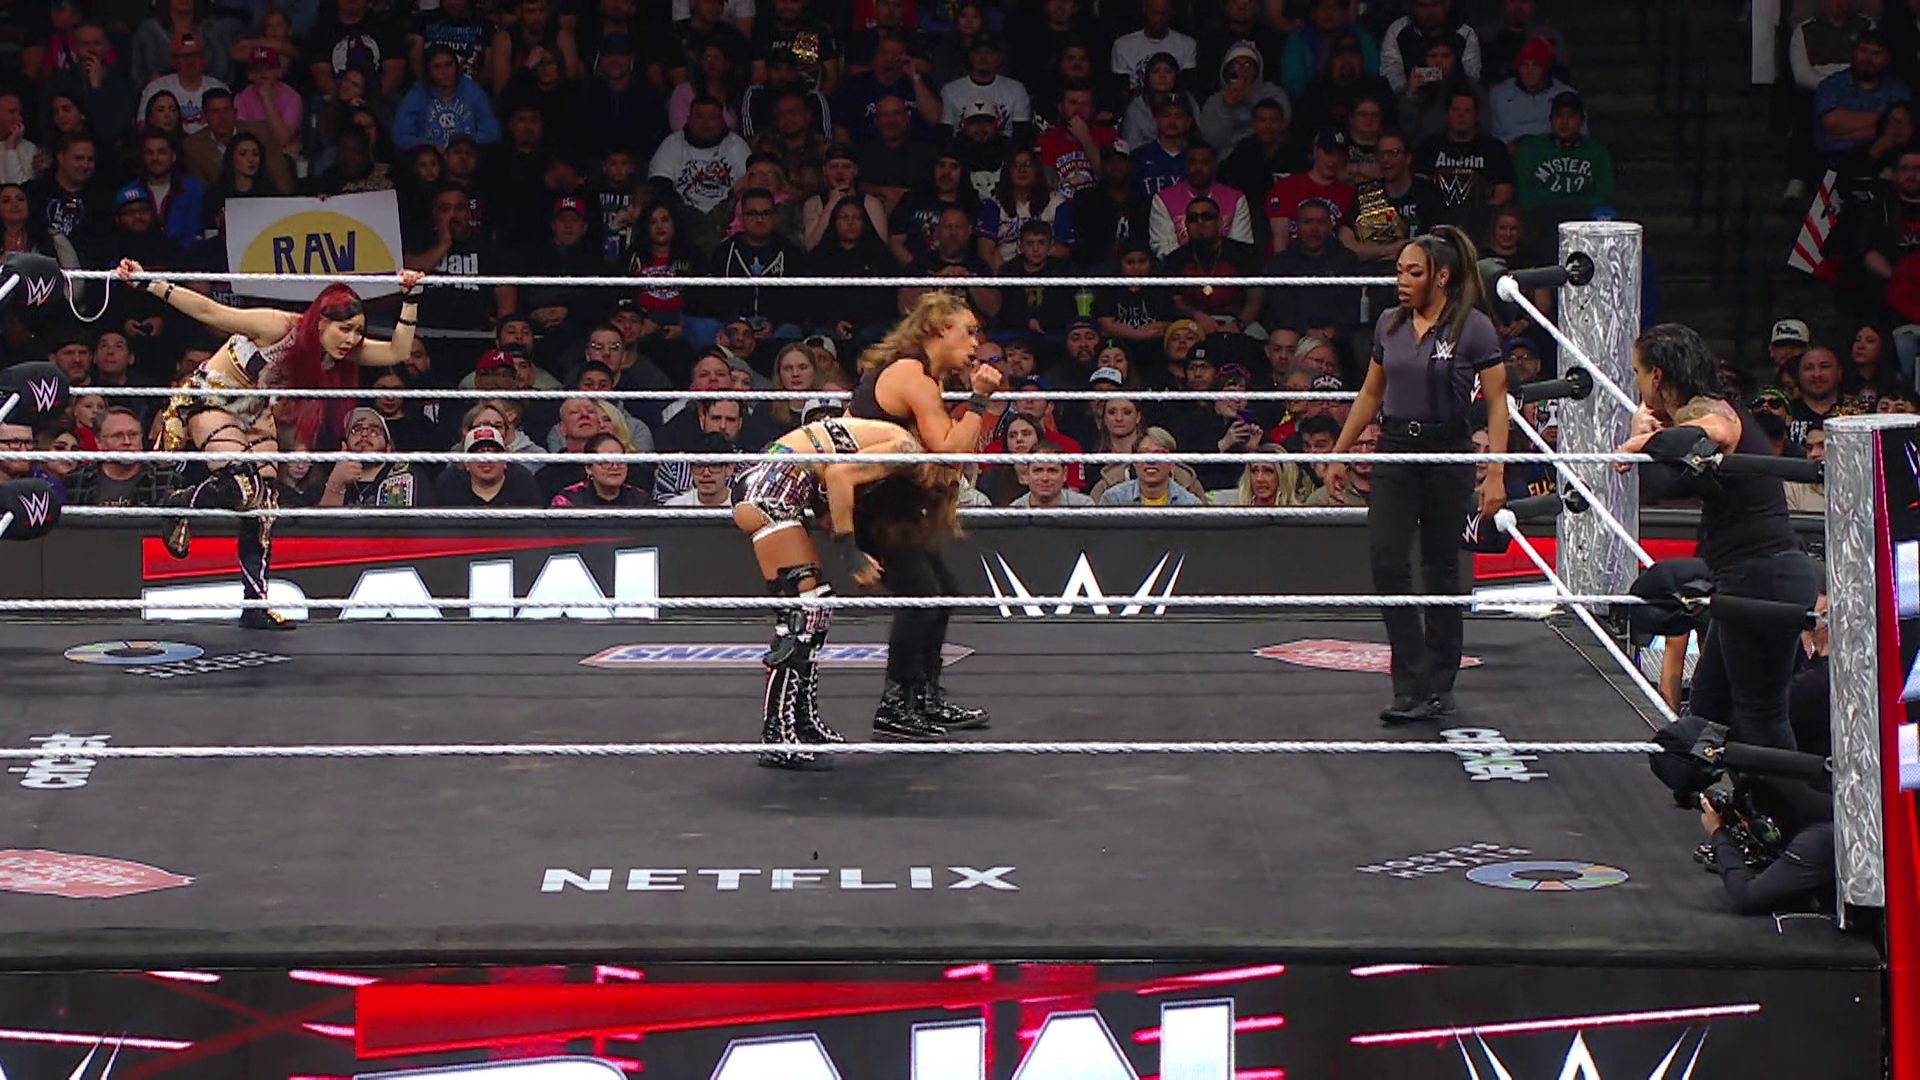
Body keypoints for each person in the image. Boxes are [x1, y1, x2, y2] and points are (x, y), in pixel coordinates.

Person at [114, 257, 427, 629]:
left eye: (358, 332)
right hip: (214, 398)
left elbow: (396, 352)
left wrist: (411, 298)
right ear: (322, 322)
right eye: (345, 329)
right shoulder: (278, 326)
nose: (351, 340)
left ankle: (255, 604)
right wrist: (150, 283)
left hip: (256, 410)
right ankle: (180, 504)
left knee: (264, 506)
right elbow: (210, 311)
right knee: (244, 487)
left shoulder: (337, 348)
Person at [1327, 226, 1509, 725]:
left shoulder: (1472, 327)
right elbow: (1370, 393)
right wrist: (1339, 453)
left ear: (1440, 277)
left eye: (1413, 272)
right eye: (1399, 271)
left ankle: (1437, 684)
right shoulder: (1389, 323)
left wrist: (1496, 470)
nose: (1401, 281)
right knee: (1387, 562)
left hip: (1447, 448)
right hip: (1395, 447)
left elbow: (1497, 402)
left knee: (1440, 566)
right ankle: (1410, 680)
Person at [1617, 323, 1823, 751]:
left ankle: (1791, 795)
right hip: (1747, 577)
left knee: (1760, 717)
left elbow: (1720, 429)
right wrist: (1647, 431)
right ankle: (1725, 792)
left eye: (1638, 372)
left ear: (1657, 375)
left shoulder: (1713, 409)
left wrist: (1640, 441)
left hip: (1764, 578)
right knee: (1708, 711)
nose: (1636, 383)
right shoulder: (1691, 413)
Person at [732, 412, 961, 768]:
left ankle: (802, 722)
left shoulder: (887, 442)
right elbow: (839, 474)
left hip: (779, 486)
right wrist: (850, 551)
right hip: (771, 490)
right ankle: (777, 734)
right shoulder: (905, 448)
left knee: (815, 610)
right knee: (802, 615)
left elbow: (829, 485)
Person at [848, 289, 1003, 738]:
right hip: (871, 504)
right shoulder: (910, 374)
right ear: (938, 329)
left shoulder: (923, 376)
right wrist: (978, 399)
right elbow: (951, 449)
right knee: (921, 595)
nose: (976, 343)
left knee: (942, 591)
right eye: (968, 332)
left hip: (893, 503)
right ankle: (896, 704)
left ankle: (925, 698)